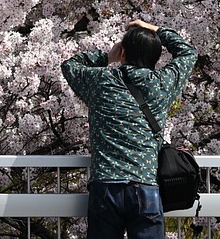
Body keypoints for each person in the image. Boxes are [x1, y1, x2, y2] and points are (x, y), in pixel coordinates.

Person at [61, 19, 198, 239]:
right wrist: (156, 30)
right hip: (145, 186)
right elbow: (188, 53)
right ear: (155, 56)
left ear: (123, 52)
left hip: (105, 185)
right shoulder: (161, 83)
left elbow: (70, 65)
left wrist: (107, 57)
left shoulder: (102, 80)